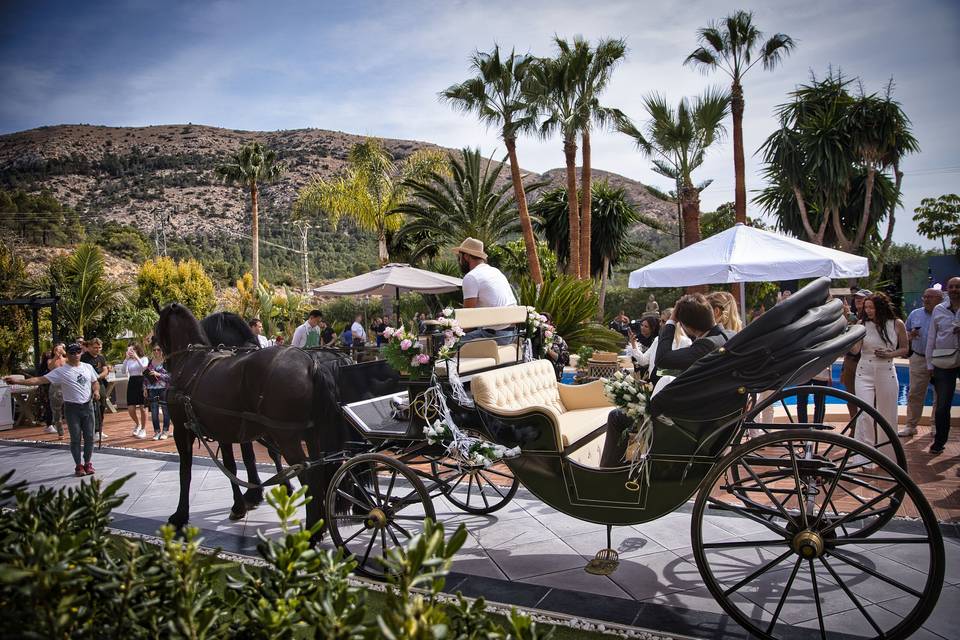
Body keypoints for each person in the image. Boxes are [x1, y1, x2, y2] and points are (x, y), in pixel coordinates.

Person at [5, 343, 100, 476]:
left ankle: (88, 463)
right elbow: (39, 380)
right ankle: (78, 465)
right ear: (68, 354)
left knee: (89, 437)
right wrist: (18, 381)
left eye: (78, 351)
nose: (76, 354)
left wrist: (96, 391)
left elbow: (95, 382)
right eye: (73, 352)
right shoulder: (61, 370)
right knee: (75, 438)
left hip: (87, 406)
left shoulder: (87, 367)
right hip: (72, 408)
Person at [851, 293, 908, 460]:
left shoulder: (897, 324)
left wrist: (891, 353)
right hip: (864, 371)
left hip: (886, 370)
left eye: (871, 307)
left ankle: (888, 458)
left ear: (880, 307)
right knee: (864, 414)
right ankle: (863, 459)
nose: (867, 310)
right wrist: (851, 333)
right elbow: (855, 351)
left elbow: (905, 349)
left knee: (887, 414)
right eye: (866, 307)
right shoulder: (862, 324)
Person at [455, 237, 518, 345]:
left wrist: (453, 334)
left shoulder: (471, 277)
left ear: (466, 256)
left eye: (459, 257)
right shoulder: (495, 272)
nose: (459, 261)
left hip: (496, 335)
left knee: (448, 344)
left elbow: (467, 319)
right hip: (512, 334)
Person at [655, 294, 735, 377]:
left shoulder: (706, 345)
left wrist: (672, 321)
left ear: (687, 326)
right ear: (710, 313)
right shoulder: (731, 334)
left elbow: (662, 359)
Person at [900, 288, 944, 437]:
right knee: (914, 393)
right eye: (924, 297)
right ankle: (911, 425)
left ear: (940, 298)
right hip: (919, 357)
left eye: (930, 297)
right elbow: (904, 334)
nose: (926, 299)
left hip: (940, 359)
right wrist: (910, 335)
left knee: (940, 394)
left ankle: (936, 426)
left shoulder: (945, 313)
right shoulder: (915, 314)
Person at [925, 276, 960, 455]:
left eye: (957, 287)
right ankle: (939, 441)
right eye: (951, 286)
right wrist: (929, 364)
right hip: (944, 360)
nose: (954, 289)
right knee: (942, 405)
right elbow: (932, 337)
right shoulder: (939, 309)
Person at [840, 289, 871, 417]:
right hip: (850, 362)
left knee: (866, 399)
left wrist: (849, 316)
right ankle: (854, 428)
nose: (858, 300)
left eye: (862, 298)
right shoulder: (851, 317)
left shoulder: (870, 319)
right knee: (851, 398)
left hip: (866, 362)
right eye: (856, 298)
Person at [81, 337, 111, 438]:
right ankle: (93, 429)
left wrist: (98, 376)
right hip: (87, 384)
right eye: (95, 347)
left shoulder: (101, 357)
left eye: (99, 347)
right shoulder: (84, 358)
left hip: (99, 382)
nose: (97, 349)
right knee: (91, 407)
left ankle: (99, 430)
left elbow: (105, 370)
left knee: (101, 405)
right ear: (89, 347)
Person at [144, 345, 171, 440]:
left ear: (162, 351)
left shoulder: (166, 362)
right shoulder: (150, 362)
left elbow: (170, 377)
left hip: (164, 388)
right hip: (152, 389)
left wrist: (158, 374)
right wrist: (145, 389)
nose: (156, 351)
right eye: (154, 349)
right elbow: (146, 377)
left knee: (165, 411)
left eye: (158, 349)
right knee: (154, 412)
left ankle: (165, 431)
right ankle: (156, 432)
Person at [124, 344, 149, 439]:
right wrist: (126, 359)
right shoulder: (128, 360)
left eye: (131, 350)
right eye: (128, 350)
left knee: (143, 407)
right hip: (132, 382)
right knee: (131, 408)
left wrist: (137, 357)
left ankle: (143, 429)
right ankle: (137, 424)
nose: (130, 352)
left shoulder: (144, 358)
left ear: (137, 350)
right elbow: (123, 371)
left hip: (141, 381)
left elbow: (144, 368)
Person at [43, 342, 66, 438]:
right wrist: (56, 357)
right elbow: (50, 367)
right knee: (56, 411)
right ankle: (60, 432)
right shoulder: (50, 361)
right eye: (56, 349)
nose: (58, 351)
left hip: (67, 386)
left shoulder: (67, 360)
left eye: (60, 349)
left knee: (71, 408)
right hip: (56, 387)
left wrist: (63, 353)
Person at [540, 312, 569, 381]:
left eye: (546, 322)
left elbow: (565, 359)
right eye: (541, 322)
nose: (544, 325)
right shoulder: (532, 339)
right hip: (538, 376)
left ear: (551, 324)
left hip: (554, 377)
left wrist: (548, 350)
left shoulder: (558, 340)